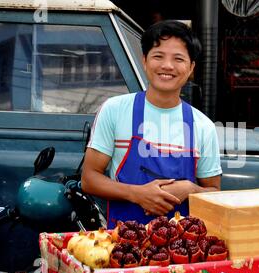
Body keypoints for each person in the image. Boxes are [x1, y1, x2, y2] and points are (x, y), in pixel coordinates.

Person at [81, 20, 222, 228]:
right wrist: (137, 194)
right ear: (144, 61)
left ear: (191, 67)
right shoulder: (115, 110)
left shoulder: (203, 126)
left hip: (181, 250)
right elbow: (89, 179)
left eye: (178, 59)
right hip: (123, 248)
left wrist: (191, 189)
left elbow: (214, 193)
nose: (167, 65)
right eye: (158, 56)